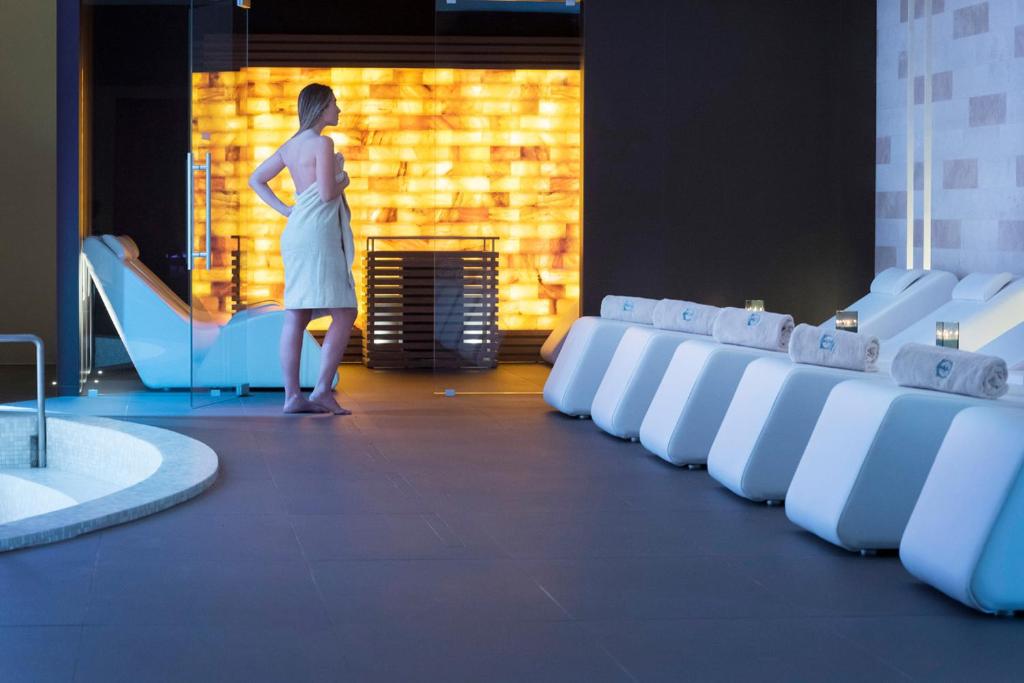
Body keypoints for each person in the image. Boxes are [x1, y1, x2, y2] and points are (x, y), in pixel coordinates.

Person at [249, 83, 356, 415]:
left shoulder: (290, 146)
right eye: (334, 104)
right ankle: (321, 390)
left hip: (297, 234)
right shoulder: (323, 142)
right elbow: (326, 193)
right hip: (317, 236)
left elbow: (256, 179)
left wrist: (286, 210)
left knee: (296, 314)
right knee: (345, 311)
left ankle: (293, 396)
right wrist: (345, 179)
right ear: (322, 107)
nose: (338, 110)